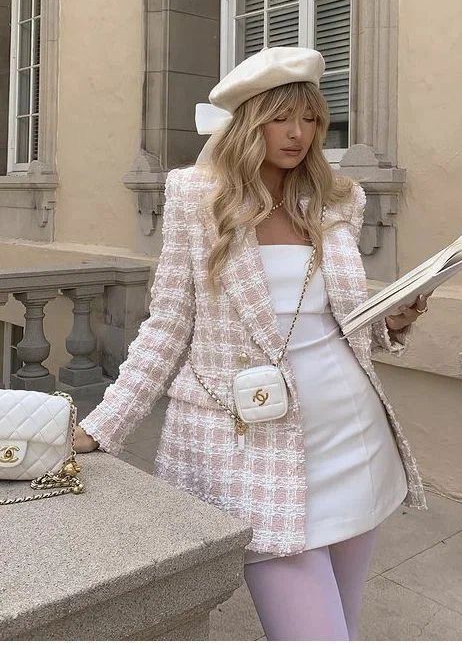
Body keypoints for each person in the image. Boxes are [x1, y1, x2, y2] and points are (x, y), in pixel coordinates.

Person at [75, 46, 431, 641]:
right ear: (247, 122)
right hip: (252, 445)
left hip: (353, 438)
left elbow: (342, 318)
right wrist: (102, 426)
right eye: (280, 118)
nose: (298, 134)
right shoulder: (196, 196)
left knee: (343, 626)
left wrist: (392, 320)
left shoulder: (338, 199)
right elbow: (167, 326)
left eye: (311, 119)